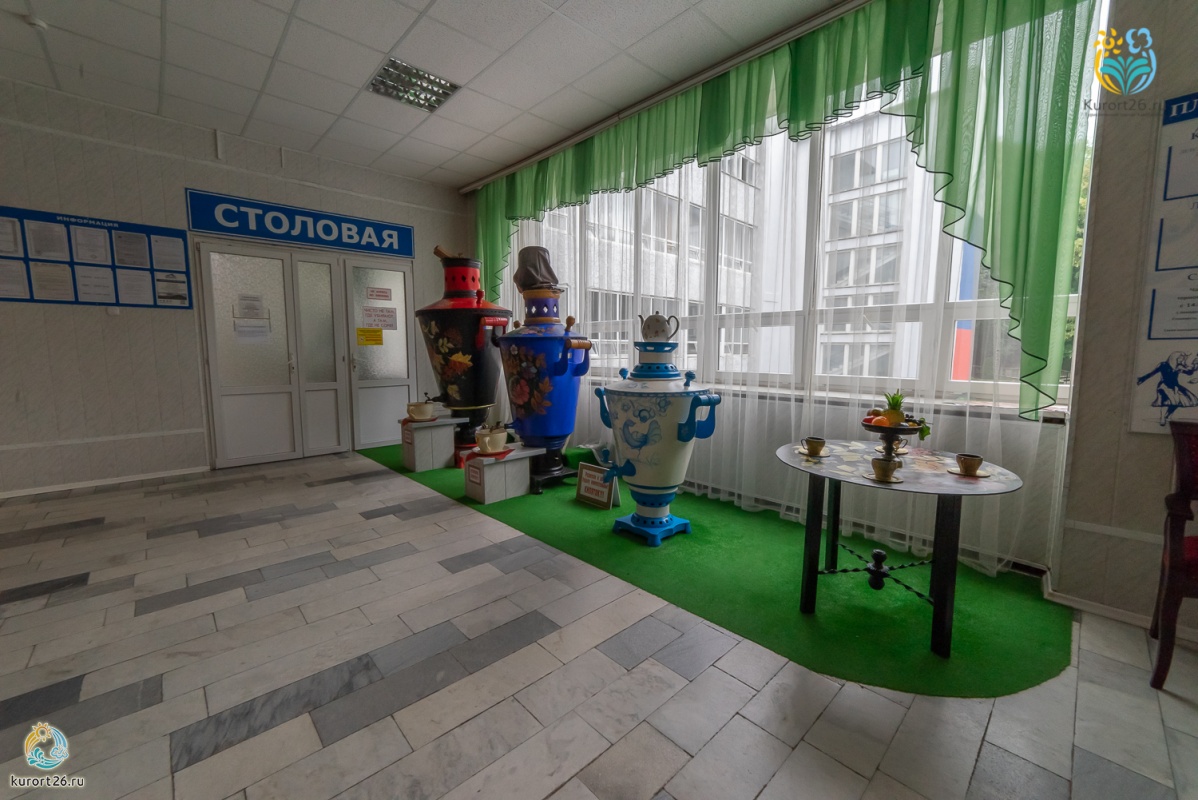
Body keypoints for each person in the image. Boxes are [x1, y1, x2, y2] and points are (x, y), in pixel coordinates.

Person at [1137, 351, 1198, 425]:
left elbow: (1189, 373)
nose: (1182, 360)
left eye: (1183, 359)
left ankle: (1167, 416)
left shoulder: (1179, 367)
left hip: (1175, 386)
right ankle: (1162, 417)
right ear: (1175, 357)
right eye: (1180, 359)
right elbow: (1152, 373)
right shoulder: (1163, 365)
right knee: (1165, 402)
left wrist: (1195, 367)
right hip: (1164, 386)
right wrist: (1142, 379)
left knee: (1177, 402)